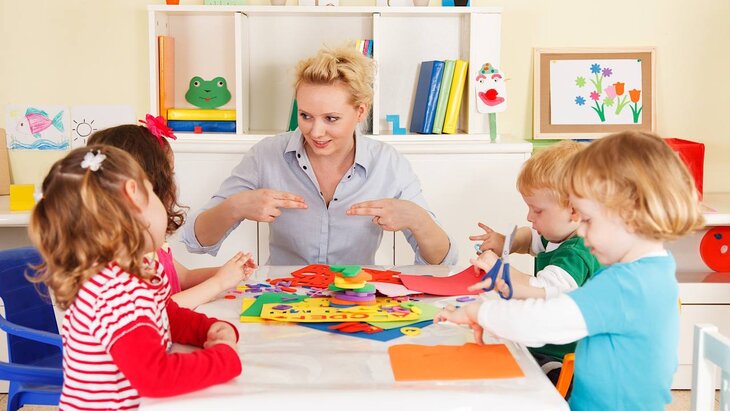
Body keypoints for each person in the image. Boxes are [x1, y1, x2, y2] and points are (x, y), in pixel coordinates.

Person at [435, 131, 705, 410]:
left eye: (587, 220)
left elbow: (543, 321)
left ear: (629, 216)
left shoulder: (626, 285)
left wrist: (478, 312)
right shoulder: (654, 270)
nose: (582, 232)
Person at [182, 46, 457, 266]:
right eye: (305, 116)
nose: (315, 132)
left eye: (331, 118)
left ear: (360, 111)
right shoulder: (266, 155)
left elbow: (444, 260)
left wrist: (417, 219)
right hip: (283, 298)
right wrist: (235, 207)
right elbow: (196, 240)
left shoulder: (388, 163)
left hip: (356, 301)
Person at [28, 146, 244, 410]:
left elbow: (164, 314)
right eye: (151, 191)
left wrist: (207, 329)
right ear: (134, 195)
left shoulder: (129, 273)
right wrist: (224, 358)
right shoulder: (116, 290)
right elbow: (156, 378)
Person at [468, 141, 602, 389]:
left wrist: (499, 270)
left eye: (537, 211)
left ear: (574, 211)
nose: (529, 216)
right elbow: (529, 239)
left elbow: (541, 289)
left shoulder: (577, 253)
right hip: (543, 341)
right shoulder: (559, 235)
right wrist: (504, 241)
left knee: (519, 378)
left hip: (564, 357)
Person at [88, 120, 256, 309]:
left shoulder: (152, 245)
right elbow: (159, 309)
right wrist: (219, 283)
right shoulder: (119, 258)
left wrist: (228, 273)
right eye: (170, 174)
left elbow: (184, 278)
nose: (173, 184)